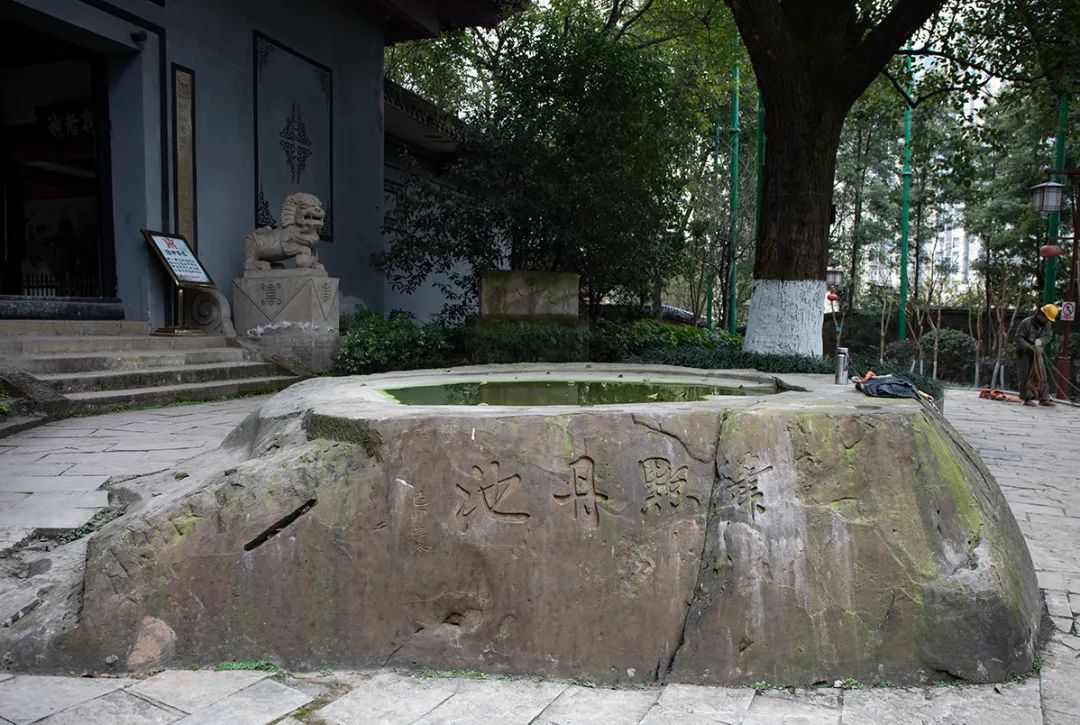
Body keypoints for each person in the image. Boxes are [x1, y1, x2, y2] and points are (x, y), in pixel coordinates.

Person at [1014, 304, 1058, 407]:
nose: (1046, 320)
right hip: (1024, 352)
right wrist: (1029, 347)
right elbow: (1018, 337)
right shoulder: (1026, 323)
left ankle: (1044, 398)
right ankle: (1027, 398)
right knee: (1025, 374)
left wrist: (1041, 341)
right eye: (1045, 318)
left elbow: (1048, 336)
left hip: (1037, 351)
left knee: (1042, 373)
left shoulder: (1047, 324)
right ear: (1040, 315)